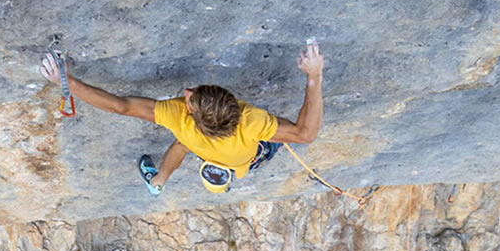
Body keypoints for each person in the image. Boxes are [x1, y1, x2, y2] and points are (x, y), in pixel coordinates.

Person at [38, 42, 325, 194]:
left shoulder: (179, 121)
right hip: (245, 157)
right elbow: (306, 134)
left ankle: (158, 183)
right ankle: (162, 181)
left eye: (190, 99)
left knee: (182, 144)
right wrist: (314, 75)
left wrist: (67, 83)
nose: (186, 92)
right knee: (269, 145)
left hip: (205, 147)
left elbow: (121, 107)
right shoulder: (252, 122)